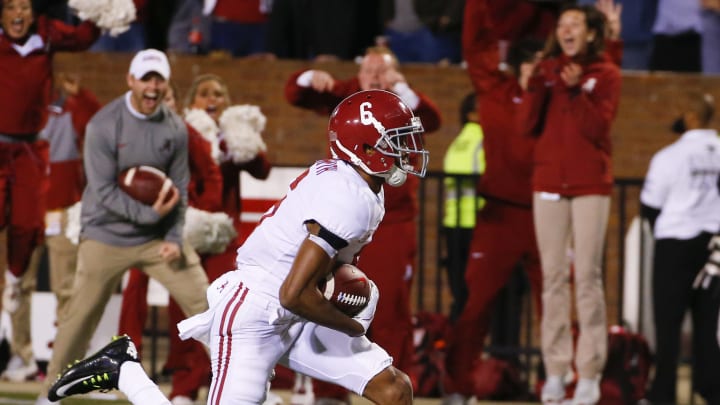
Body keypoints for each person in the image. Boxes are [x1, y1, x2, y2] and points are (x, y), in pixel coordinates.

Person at [47, 88, 424, 405]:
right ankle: (123, 370)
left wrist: (345, 288)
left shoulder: (362, 188)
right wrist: (351, 326)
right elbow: (292, 294)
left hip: (298, 306)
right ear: (365, 145)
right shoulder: (348, 196)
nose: (407, 149)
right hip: (256, 311)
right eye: (397, 139)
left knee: (394, 389)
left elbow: (310, 282)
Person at [35, 48, 210, 405]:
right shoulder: (104, 123)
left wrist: (175, 237)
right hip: (105, 235)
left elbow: (179, 188)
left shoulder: (175, 128)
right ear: (131, 81)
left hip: (158, 239)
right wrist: (150, 215)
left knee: (208, 304)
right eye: (146, 78)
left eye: (158, 79)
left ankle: (246, 384)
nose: (152, 86)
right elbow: (102, 191)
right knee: (78, 318)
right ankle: (47, 396)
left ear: (165, 85)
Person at [284, 45, 441, 402]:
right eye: (369, 69)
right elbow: (295, 92)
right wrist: (310, 75)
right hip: (344, 216)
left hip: (391, 220)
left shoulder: (398, 106)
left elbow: (431, 120)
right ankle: (328, 390)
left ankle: (389, 380)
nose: (374, 76)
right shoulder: (351, 99)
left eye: (381, 71)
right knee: (327, 296)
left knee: (388, 305)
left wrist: (402, 90)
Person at [441, 0, 548, 402]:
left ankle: (562, 386)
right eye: (537, 62)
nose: (543, 69)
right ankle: (457, 386)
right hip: (500, 214)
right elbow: (477, 45)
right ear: (520, 64)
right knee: (474, 307)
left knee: (556, 307)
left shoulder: (556, 97)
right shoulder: (495, 90)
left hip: (547, 214)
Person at [517, 4, 622, 404]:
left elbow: (597, 128)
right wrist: (532, 87)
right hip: (547, 183)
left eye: (575, 24)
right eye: (562, 24)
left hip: (590, 184)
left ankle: (590, 371)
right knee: (554, 278)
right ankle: (556, 370)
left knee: (589, 277)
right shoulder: (546, 70)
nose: (567, 30)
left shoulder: (605, 74)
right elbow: (525, 126)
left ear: (592, 33)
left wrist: (578, 91)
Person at [117, 80, 224, 405]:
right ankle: (124, 359)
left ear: (177, 103)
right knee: (133, 287)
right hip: (145, 229)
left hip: (179, 231)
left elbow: (212, 181)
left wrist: (196, 217)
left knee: (192, 304)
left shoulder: (187, 134)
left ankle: (201, 378)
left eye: (168, 97)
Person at [0, 0, 99, 320]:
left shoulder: (46, 35)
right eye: (11, 6)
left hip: (29, 148)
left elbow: (83, 37)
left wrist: (109, 7)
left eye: (25, 7)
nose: (18, 14)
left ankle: (14, 278)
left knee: (28, 224)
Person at [1, 73, 101, 383]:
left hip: (62, 212)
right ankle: (23, 356)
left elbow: (97, 129)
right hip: (23, 213)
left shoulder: (70, 109)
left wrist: (81, 96)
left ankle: (68, 359)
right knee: (18, 284)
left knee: (66, 287)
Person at [641, 91, 720, 405]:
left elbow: (650, 207)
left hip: (675, 245)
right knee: (709, 324)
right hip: (715, 248)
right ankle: (711, 391)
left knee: (668, 324)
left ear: (689, 118)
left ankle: (664, 394)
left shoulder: (668, 157)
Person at [441, 91, 485, 323]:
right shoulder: (483, 139)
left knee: (461, 295)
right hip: (477, 224)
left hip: (454, 224)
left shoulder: (459, 141)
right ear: (473, 114)